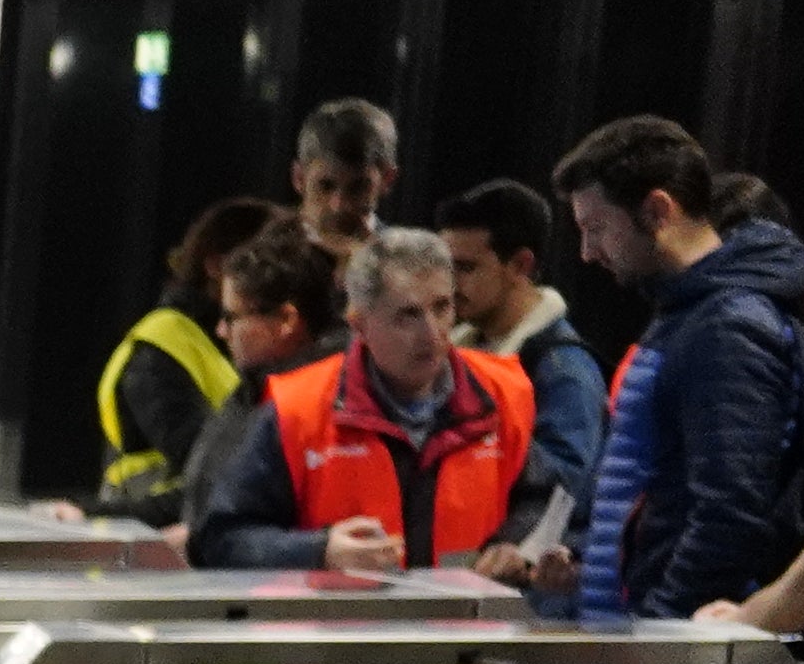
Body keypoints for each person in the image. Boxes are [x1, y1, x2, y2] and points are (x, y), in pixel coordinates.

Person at [554, 113, 804, 624]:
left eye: (597, 229)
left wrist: (665, 634)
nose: (587, 253)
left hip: (671, 652)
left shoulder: (729, 327)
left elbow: (730, 512)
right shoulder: (687, 315)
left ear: (656, 210)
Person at [182, 223, 533, 575]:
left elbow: (549, 506)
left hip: (472, 626)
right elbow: (219, 538)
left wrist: (516, 545)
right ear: (359, 324)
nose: (432, 333)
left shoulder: (504, 393)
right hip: (338, 626)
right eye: (408, 315)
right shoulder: (298, 408)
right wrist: (321, 552)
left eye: (442, 308)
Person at [435, 176, 615, 591]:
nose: (449, 284)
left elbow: (564, 491)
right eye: (444, 267)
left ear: (521, 265)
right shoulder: (458, 354)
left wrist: (513, 552)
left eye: (465, 268)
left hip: (518, 592)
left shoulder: (562, 368)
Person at [88, 197, 278, 521]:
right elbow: (207, 479)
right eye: (262, 266)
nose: (279, 281)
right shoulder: (159, 349)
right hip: (152, 549)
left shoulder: (248, 344)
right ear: (216, 266)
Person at [166, 222, 345, 543]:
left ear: (286, 321)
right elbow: (205, 497)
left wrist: (199, 544)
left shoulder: (323, 406)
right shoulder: (252, 392)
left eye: (232, 317)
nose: (222, 331)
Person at [289, 95, 397, 260]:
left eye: (358, 188)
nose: (338, 205)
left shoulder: (409, 266)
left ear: (387, 179)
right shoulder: (255, 256)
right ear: (299, 178)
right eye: (325, 186)